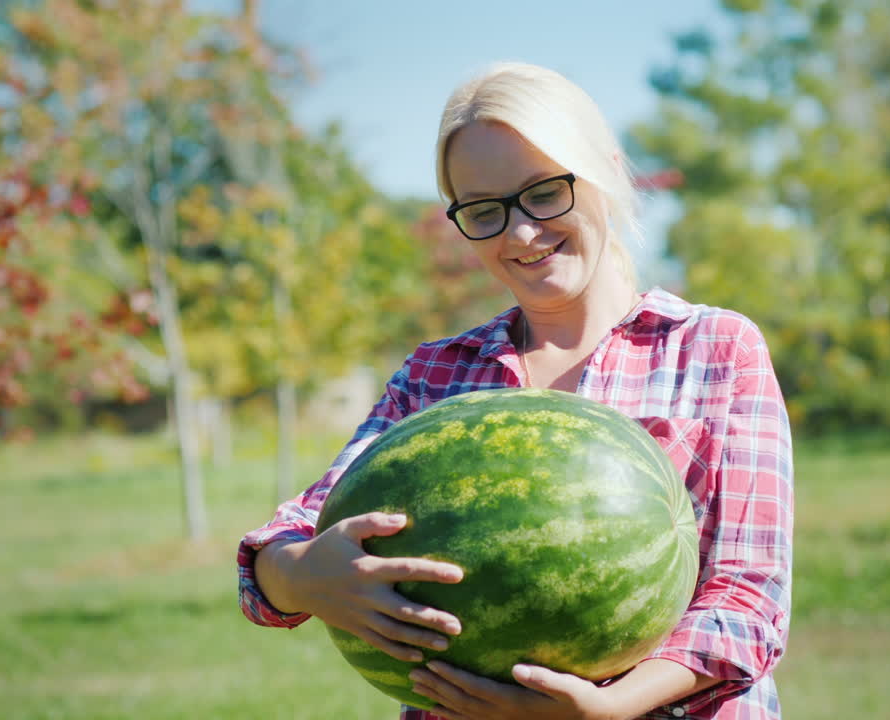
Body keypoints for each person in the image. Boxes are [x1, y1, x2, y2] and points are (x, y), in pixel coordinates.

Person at [238, 62, 793, 720]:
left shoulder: (717, 349)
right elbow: (279, 550)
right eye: (483, 210)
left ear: (606, 171)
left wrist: (606, 711)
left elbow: (748, 601)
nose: (521, 232)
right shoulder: (438, 375)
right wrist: (305, 576)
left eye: (543, 192)